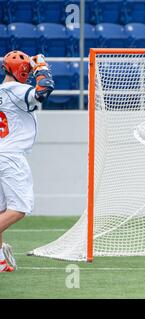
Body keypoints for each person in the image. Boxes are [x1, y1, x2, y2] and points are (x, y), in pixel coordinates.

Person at [0, 51, 54, 272]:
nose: (27, 74)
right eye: (26, 71)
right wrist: (41, 67)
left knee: (3, 208)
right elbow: (44, 91)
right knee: (18, 209)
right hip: (11, 156)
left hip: (3, 152)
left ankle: (0, 262)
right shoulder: (16, 90)